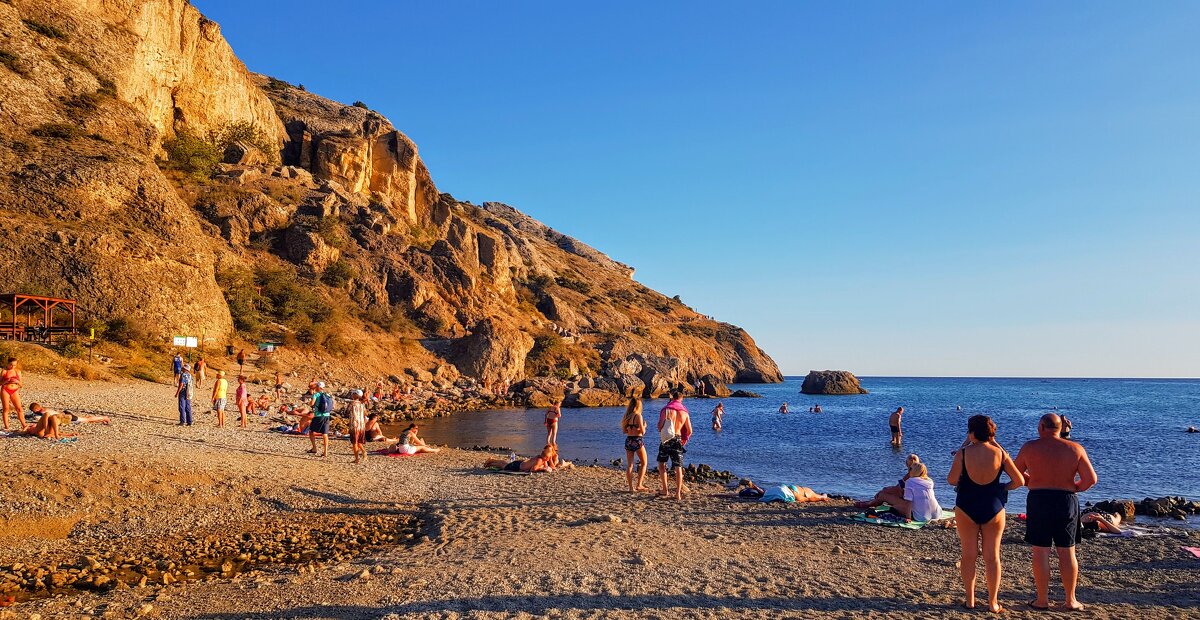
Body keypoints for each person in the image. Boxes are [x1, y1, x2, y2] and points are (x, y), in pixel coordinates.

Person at [1014, 413, 1097, 612]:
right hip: (1065, 499)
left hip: (1039, 498)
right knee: (1067, 551)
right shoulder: (1075, 448)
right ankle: (1070, 600)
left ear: (1041, 427)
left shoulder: (1030, 447)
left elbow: (1016, 474)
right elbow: (1091, 479)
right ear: (1060, 429)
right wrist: (1074, 487)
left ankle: (1042, 599)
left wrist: (1032, 481)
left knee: (1041, 551)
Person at [948, 414, 1025, 613]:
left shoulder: (963, 454)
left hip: (966, 505)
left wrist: (967, 444)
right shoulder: (1000, 454)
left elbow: (951, 480)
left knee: (969, 555)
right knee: (992, 557)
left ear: (971, 432)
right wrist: (1002, 488)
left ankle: (970, 599)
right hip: (994, 506)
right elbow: (1020, 481)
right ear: (991, 433)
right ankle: (993, 602)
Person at [657, 392, 693, 500]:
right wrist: (684, 440)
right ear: (681, 399)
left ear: (672, 398)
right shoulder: (684, 412)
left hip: (666, 440)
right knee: (678, 467)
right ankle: (677, 493)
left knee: (662, 464)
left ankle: (665, 489)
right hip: (677, 439)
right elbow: (689, 431)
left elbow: (659, 427)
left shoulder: (666, 409)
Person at [856, 453, 922, 509]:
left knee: (883, 495)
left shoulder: (909, 476)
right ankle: (870, 502)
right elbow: (899, 488)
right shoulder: (923, 476)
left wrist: (883, 490)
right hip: (918, 504)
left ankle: (868, 504)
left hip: (909, 505)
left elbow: (898, 489)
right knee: (886, 492)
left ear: (906, 464)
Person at [621, 398, 649, 492]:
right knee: (644, 462)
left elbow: (624, 431)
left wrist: (632, 428)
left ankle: (630, 487)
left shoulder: (627, 416)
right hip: (637, 440)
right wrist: (644, 426)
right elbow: (643, 431)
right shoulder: (638, 416)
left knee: (630, 465)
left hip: (629, 440)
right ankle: (639, 484)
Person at [307, 381, 333, 457]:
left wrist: (311, 403)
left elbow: (312, 403)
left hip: (318, 416)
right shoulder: (327, 395)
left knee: (311, 431)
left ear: (318, 387)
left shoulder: (316, 394)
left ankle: (314, 448)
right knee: (325, 434)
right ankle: (325, 452)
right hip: (327, 416)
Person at [483, 445, 552, 472]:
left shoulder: (539, 457)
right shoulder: (539, 460)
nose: (549, 460)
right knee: (504, 466)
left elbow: (546, 465)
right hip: (518, 466)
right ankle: (491, 463)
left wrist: (546, 466)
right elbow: (533, 469)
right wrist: (541, 468)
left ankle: (492, 460)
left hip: (520, 463)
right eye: (548, 458)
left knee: (505, 464)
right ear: (545, 457)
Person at [1, 357, 24, 431]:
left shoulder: (18, 372)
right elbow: (0, 383)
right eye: (11, 365)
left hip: (14, 390)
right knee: (6, 409)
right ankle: (7, 427)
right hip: (5, 390)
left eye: (14, 365)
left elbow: (21, 385)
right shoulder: (4, 371)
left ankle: (24, 425)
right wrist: (6, 380)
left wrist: (17, 381)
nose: (12, 367)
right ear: (8, 364)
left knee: (19, 408)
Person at [348, 390, 367, 463]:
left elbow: (347, 413)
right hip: (361, 425)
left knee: (354, 442)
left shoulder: (352, 403)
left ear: (356, 395)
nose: (352, 395)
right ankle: (364, 452)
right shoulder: (362, 404)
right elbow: (365, 413)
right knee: (359, 441)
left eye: (353, 393)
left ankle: (357, 459)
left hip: (354, 425)